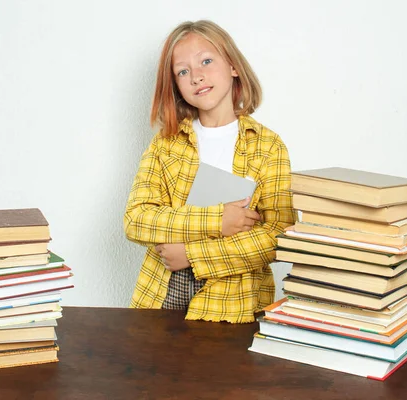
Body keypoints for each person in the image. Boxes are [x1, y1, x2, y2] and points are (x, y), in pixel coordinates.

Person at [123, 20, 296, 323]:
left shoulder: (268, 146)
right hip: (163, 296)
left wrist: (191, 255)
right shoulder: (165, 145)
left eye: (206, 61)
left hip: (235, 304)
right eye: (183, 71)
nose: (197, 76)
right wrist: (221, 220)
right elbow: (137, 220)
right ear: (175, 84)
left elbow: (278, 235)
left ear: (232, 66)